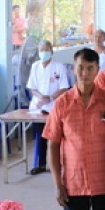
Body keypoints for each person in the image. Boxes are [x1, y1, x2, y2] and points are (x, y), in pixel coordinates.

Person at [45, 48, 105, 210]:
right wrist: (57, 184)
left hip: (104, 180)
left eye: (90, 68)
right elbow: (53, 144)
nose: (85, 73)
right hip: (73, 183)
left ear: (97, 70)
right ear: (74, 68)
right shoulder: (61, 104)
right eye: (81, 67)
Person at [27, 40, 70, 173]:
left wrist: (50, 98)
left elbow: (64, 88)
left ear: (51, 51)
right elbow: (32, 87)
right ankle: (41, 164)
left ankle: (58, 164)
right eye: (41, 50)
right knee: (40, 135)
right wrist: (41, 98)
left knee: (55, 136)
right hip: (38, 106)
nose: (43, 53)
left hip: (54, 106)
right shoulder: (35, 66)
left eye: (46, 50)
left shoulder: (59, 67)